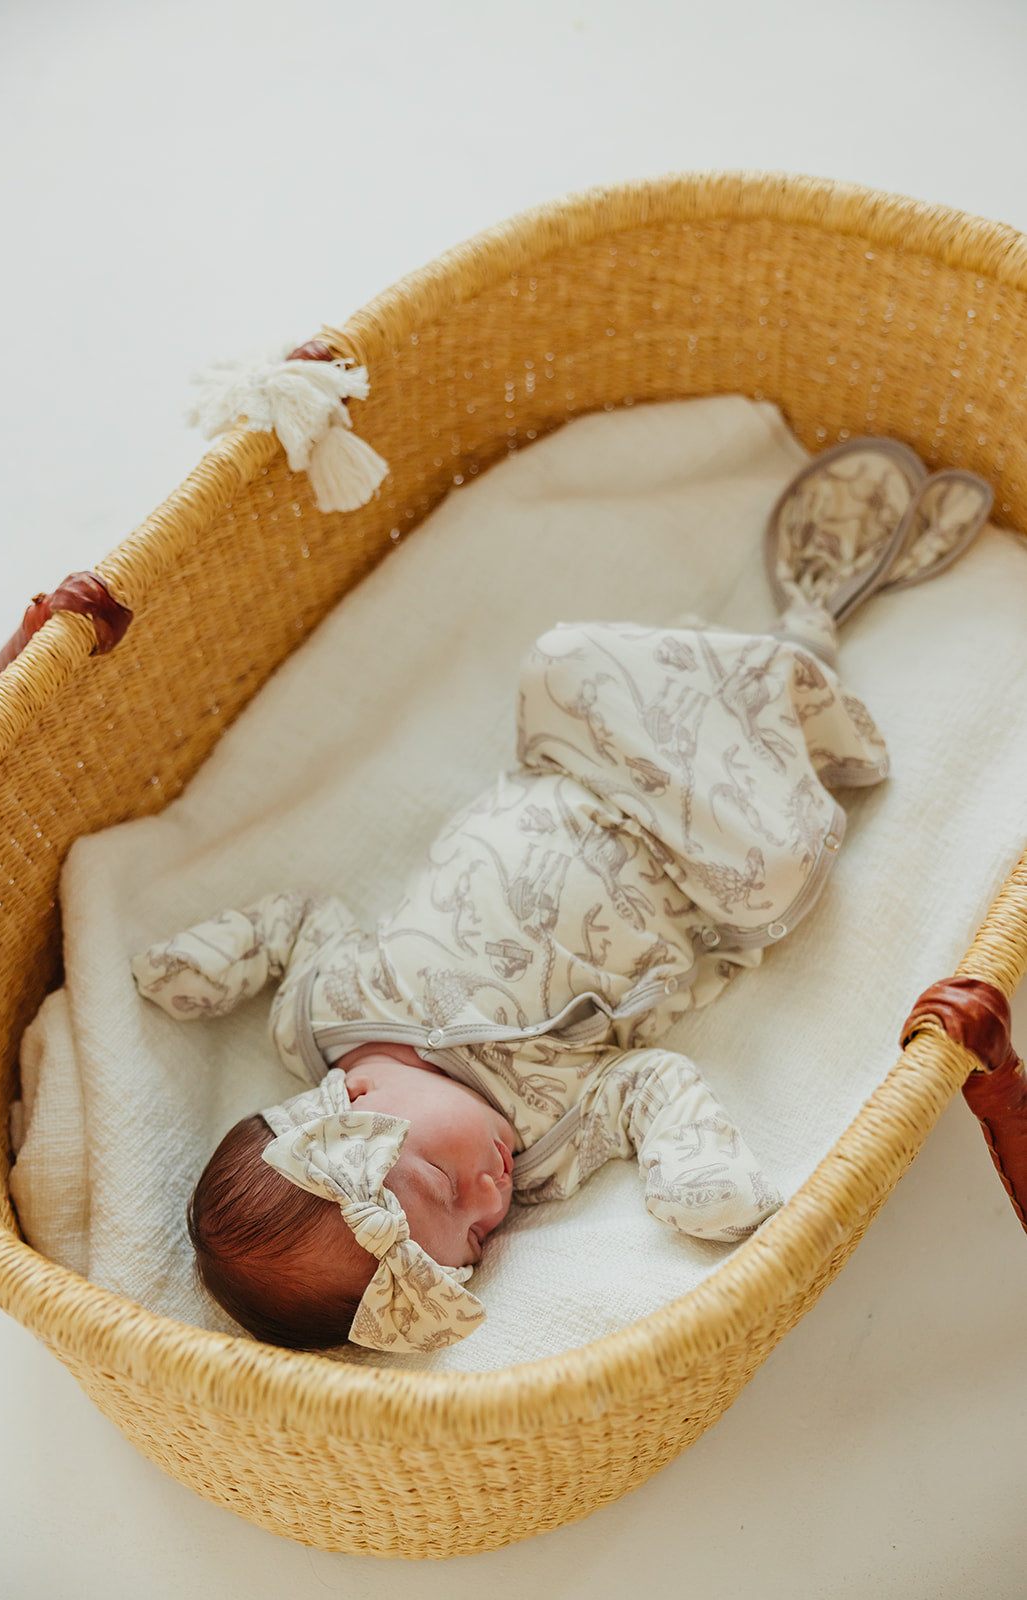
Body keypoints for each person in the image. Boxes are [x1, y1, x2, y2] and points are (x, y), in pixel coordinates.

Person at [132, 439, 993, 1355]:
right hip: (690, 861)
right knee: (773, 871)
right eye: (470, 1245)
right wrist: (685, 1160)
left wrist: (222, 954)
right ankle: (803, 656)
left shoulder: (328, 1013)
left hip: (577, 768)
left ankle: (782, 634)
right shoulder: (542, 1145)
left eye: (439, 1178)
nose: (488, 1200)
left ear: (349, 1098)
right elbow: (643, 1085)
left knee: (568, 657)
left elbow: (298, 919)